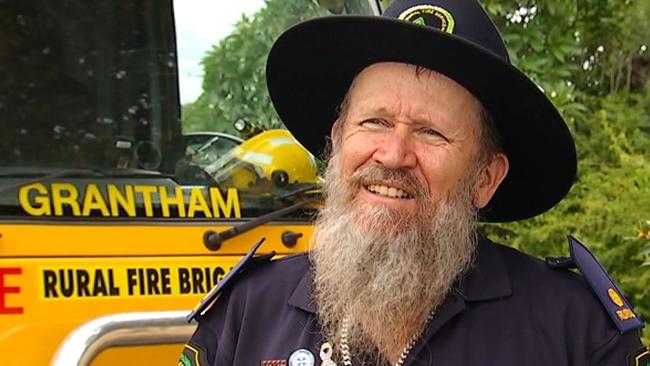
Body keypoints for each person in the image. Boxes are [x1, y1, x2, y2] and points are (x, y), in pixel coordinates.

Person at [180, 0, 648, 365]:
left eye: (431, 132)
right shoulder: (244, 313)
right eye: (375, 122)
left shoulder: (578, 332)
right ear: (337, 143)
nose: (394, 154)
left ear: (485, 178)